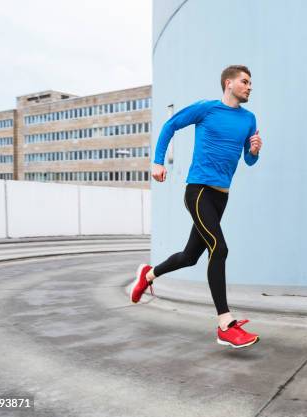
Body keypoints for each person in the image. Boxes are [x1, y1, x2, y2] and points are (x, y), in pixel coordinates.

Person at [130, 65, 263, 348]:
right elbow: (171, 125)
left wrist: (254, 151)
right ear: (229, 83)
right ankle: (225, 324)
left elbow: (248, 161)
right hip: (199, 190)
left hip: (221, 196)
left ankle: (149, 274)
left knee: (191, 256)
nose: (250, 86)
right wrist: (157, 161)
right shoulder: (206, 109)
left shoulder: (249, 119)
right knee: (220, 248)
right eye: (245, 81)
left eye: (251, 83)